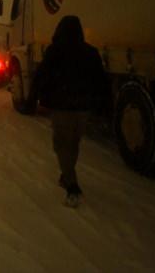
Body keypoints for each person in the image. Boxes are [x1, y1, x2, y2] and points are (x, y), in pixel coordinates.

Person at [31, 15, 109, 207]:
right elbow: (100, 80)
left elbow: (41, 75)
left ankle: (72, 186)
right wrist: (102, 104)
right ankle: (67, 175)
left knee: (61, 145)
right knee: (74, 143)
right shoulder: (90, 52)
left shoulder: (55, 51)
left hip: (62, 106)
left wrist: (34, 97)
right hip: (83, 107)